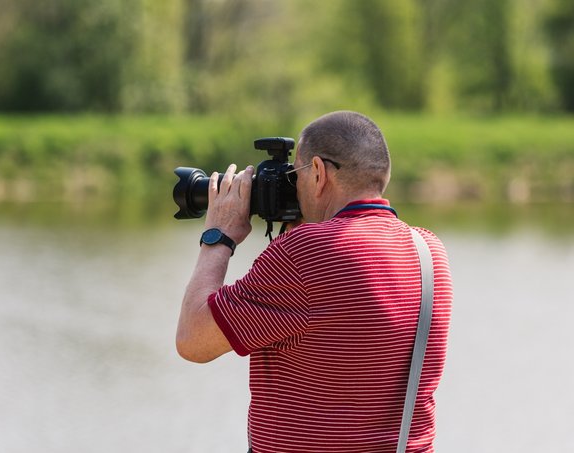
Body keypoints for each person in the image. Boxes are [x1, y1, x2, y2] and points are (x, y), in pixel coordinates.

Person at [176, 111, 453, 453]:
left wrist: (219, 233)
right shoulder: (429, 251)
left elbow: (192, 339)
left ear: (319, 172)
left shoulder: (303, 255)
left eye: (298, 175)